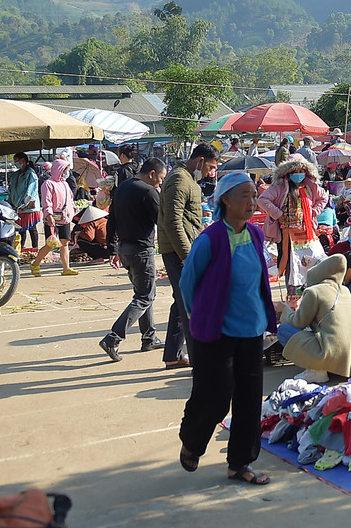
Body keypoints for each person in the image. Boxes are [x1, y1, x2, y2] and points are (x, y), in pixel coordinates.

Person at [176, 171, 276, 485]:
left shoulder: (256, 235)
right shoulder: (211, 238)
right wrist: (198, 316)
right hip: (216, 331)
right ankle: (192, 441)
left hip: (251, 329)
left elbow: (258, 279)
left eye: (253, 194)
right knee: (215, 393)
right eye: (244, 195)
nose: (252, 201)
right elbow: (187, 282)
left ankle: (240, 463)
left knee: (249, 400)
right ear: (225, 200)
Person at [100, 158, 168, 362]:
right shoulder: (148, 192)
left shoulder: (122, 188)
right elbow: (162, 221)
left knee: (145, 294)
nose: (160, 183)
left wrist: (111, 248)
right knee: (145, 296)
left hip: (125, 249)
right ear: (152, 174)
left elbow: (111, 219)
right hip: (141, 250)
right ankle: (113, 338)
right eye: (161, 179)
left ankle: (149, 337)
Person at [158, 144, 220, 370]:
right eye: (210, 167)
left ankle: (173, 354)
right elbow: (172, 222)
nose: (210, 173)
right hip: (178, 252)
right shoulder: (179, 180)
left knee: (182, 301)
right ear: (200, 161)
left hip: (185, 249)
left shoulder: (187, 179)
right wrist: (187, 256)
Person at [277, 253, 351, 383]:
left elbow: (299, 323)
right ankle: (331, 367)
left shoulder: (314, 291)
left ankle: (316, 371)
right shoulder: (344, 290)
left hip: (333, 350)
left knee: (284, 329)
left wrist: (284, 309)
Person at [258, 155, 328, 297]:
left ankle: (310, 294)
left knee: (311, 262)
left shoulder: (310, 186)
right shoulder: (279, 186)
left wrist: (313, 212)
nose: (298, 174)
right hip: (286, 235)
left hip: (307, 233)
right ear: (288, 172)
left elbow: (324, 197)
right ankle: (292, 298)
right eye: (294, 171)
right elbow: (262, 200)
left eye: (301, 170)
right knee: (291, 266)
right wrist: (278, 214)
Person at [30, 158, 78, 277]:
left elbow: (70, 199)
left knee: (65, 242)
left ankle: (66, 268)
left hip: (65, 218)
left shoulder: (65, 184)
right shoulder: (48, 184)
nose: (66, 172)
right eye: (65, 170)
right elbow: (46, 201)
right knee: (50, 244)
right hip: (53, 218)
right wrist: (48, 214)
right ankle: (36, 263)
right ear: (59, 170)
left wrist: (73, 210)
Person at [7, 153, 42, 254]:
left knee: (31, 228)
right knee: (21, 229)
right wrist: (10, 203)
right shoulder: (16, 174)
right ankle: (20, 249)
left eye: (17, 161)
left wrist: (22, 204)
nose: (16, 163)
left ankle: (35, 248)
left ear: (23, 160)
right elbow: (11, 190)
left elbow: (30, 192)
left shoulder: (31, 174)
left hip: (28, 206)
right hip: (17, 206)